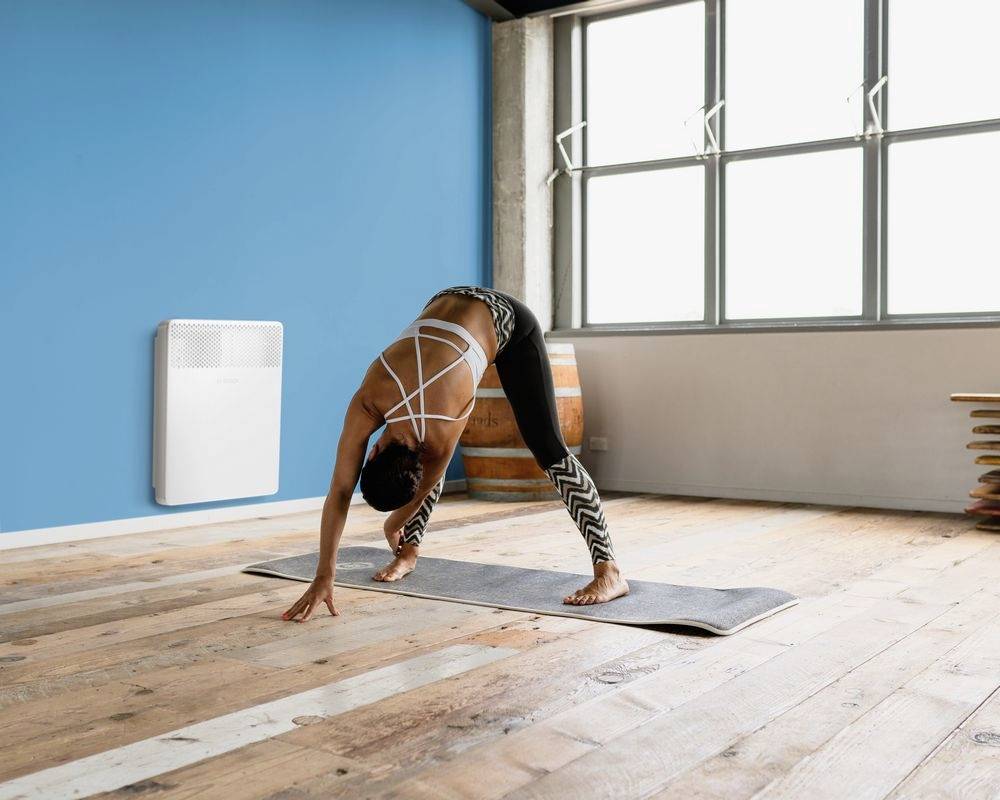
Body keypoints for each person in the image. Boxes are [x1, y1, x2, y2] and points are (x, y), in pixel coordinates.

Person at [282, 286, 628, 623]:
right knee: (433, 458)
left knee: (550, 451)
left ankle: (609, 570)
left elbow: (371, 489)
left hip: (509, 321)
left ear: (371, 451)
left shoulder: (442, 423)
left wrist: (392, 524)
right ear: (373, 453)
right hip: (449, 299)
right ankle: (410, 553)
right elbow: (346, 491)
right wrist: (324, 576)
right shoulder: (371, 398)